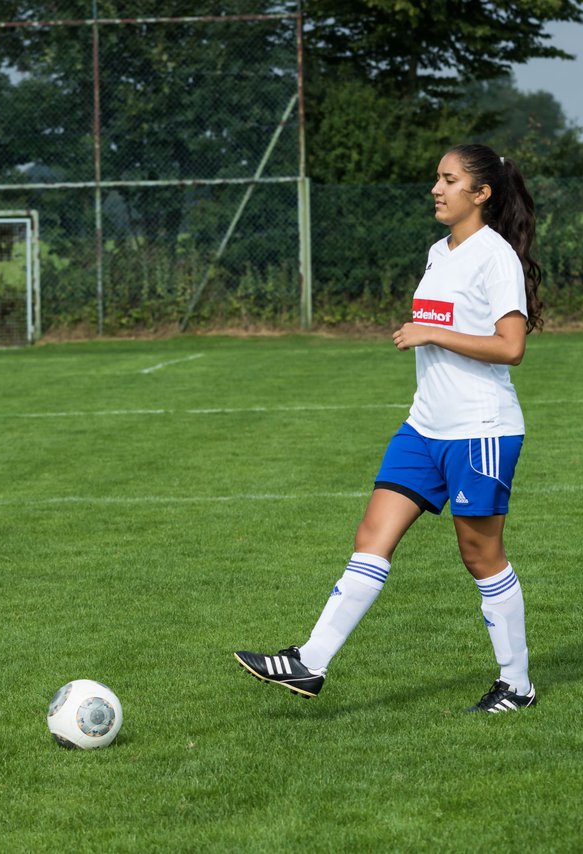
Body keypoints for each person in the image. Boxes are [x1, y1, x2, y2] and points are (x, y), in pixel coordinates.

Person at [234, 143, 544, 713]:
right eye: (436, 177)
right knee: (371, 538)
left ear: (481, 194)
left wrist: (433, 334)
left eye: (449, 179)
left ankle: (517, 685)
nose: (436, 188)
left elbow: (512, 347)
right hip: (423, 426)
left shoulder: (494, 256)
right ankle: (310, 662)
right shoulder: (438, 252)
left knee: (481, 557)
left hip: (480, 431)